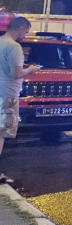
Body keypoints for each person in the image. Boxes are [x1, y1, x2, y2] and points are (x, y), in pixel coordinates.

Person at [0, 17, 40, 184]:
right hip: (7, 95)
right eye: (26, 32)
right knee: (1, 133)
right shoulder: (14, 47)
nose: (25, 35)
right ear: (20, 28)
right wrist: (30, 69)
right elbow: (16, 74)